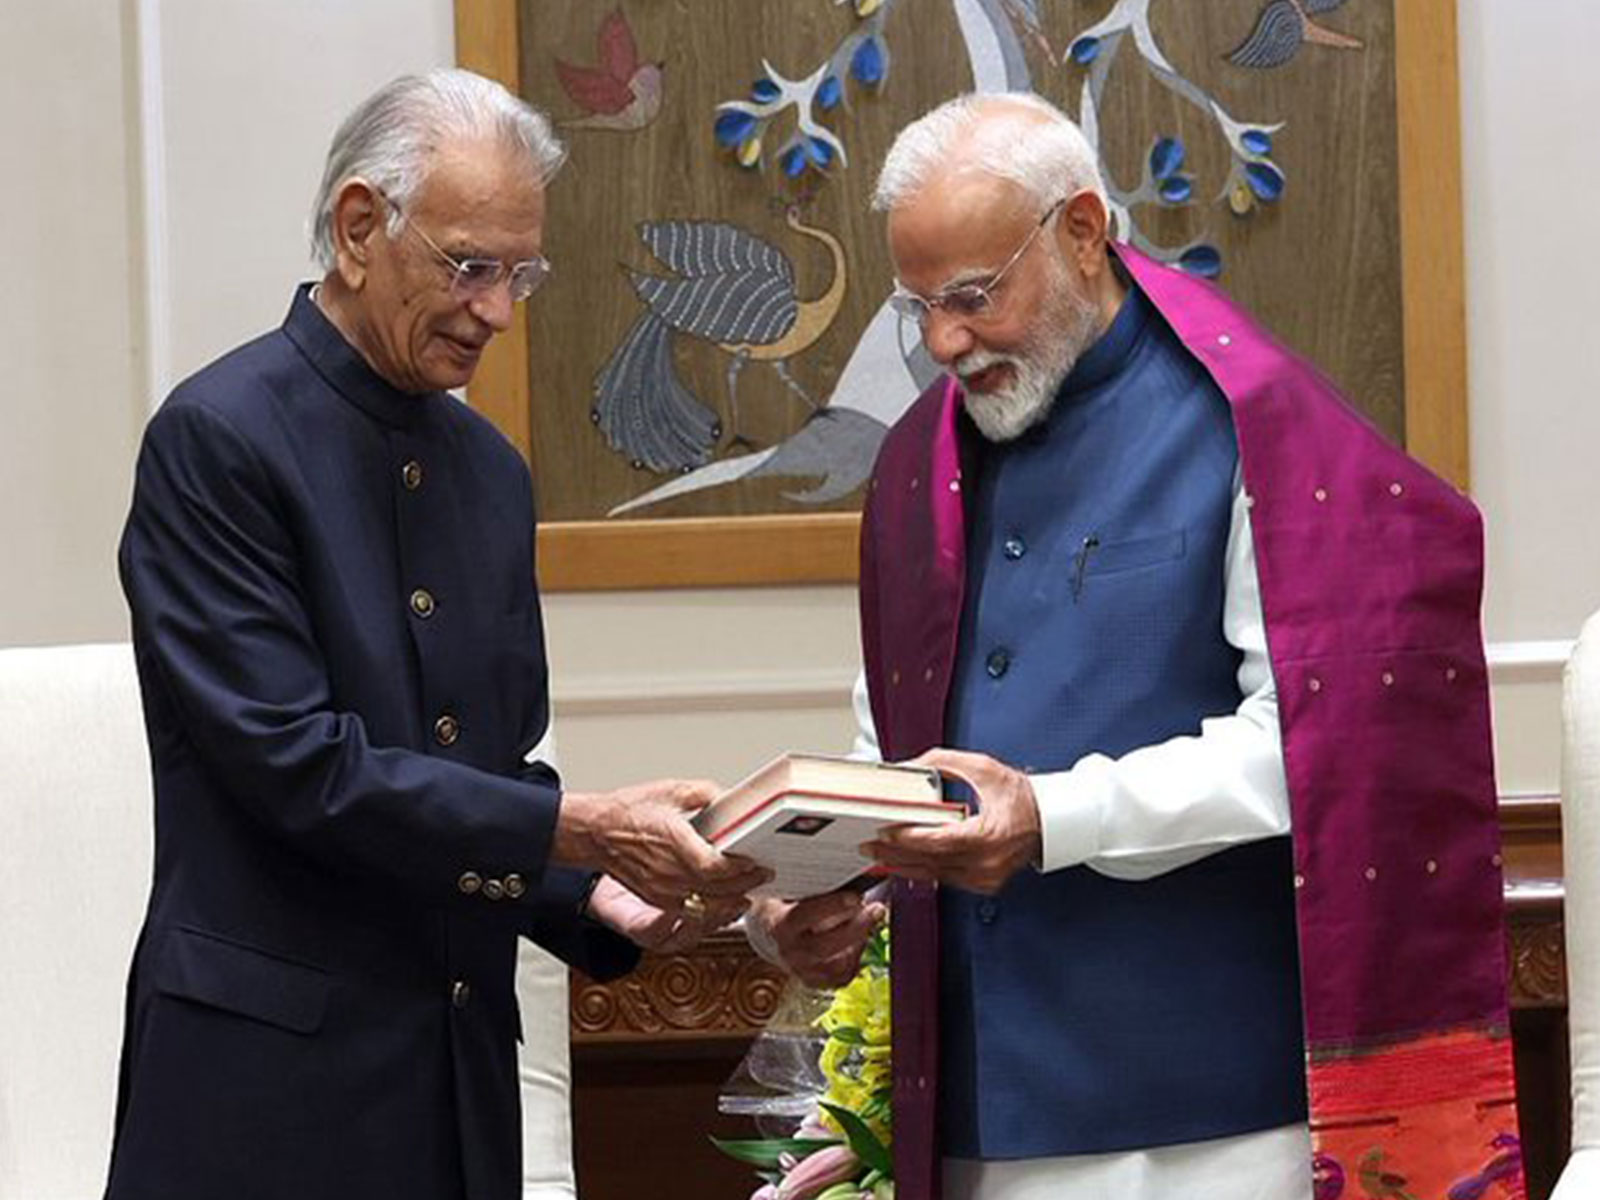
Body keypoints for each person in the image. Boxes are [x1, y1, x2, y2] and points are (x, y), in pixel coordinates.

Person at [749, 93, 1520, 1200]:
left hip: (1213, 1116)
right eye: (916, 305)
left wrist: (1054, 817)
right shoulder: (918, 459)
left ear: (1079, 231)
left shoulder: (1249, 425)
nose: (942, 343)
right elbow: (902, 747)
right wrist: (826, 884)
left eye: (973, 297)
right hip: (971, 1102)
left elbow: (1317, 740)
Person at [107, 69, 766, 1200]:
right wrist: (581, 831)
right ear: (360, 229)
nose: (499, 311)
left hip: (452, 1091)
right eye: (470, 267)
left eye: (522, 274)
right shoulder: (217, 440)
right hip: (257, 1103)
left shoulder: (490, 475)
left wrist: (593, 896)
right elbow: (297, 768)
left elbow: (485, 773)